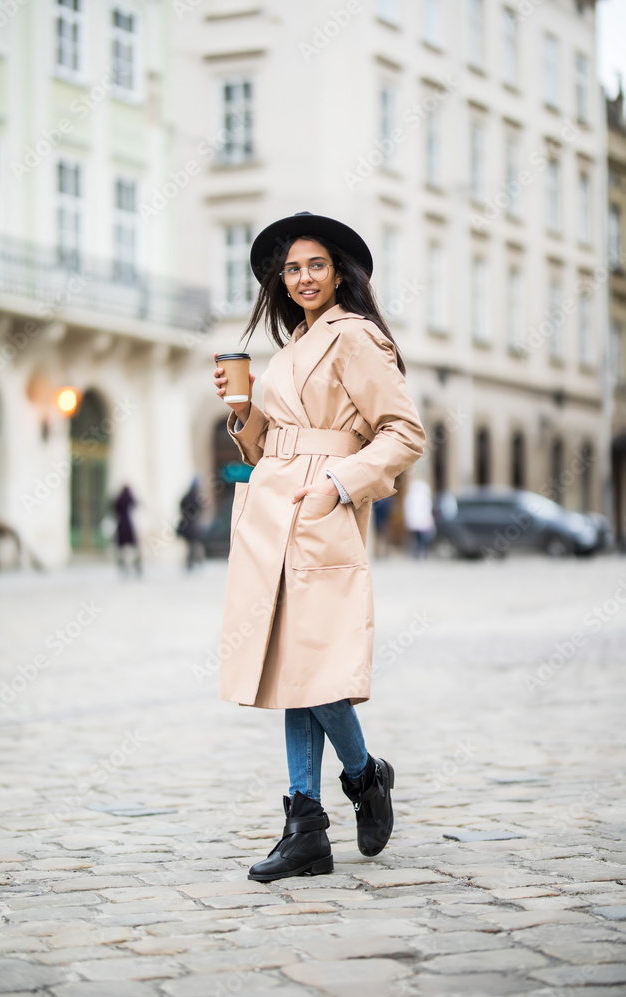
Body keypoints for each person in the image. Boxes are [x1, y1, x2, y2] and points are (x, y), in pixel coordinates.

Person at [213, 212, 425, 882]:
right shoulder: (292, 347)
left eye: (316, 265)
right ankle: (307, 825)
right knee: (290, 666)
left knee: (316, 665)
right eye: (292, 268)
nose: (303, 277)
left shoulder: (355, 336)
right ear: (280, 280)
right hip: (272, 509)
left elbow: (403, 432)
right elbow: (268, 445)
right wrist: (243, 412)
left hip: (318, 507)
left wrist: (338, 484)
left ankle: (361, 778)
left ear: (337, 273)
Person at [176, 477, 205, 570]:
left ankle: (192, 562)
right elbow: (200, 507)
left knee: (192, 546)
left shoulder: (188, 496)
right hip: (191, 526)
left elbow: (181, 506)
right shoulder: (194, 497)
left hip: (187, 525)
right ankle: (196, 562)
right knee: (195, 545)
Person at [113, 485, 142, 577]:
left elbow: (114, 509)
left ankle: (123, 565)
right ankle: (136, 565)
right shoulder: (129, 498)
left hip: (121, 525)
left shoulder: (119, 499)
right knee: (134, 547)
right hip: (128, 525)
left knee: (121, 548)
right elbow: (135, 504)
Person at [404, 478, 435, 559]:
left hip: (417, 522)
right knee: (422, 539)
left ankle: (418, 554)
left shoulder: (410, 497)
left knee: (418, 539)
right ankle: (422, 553)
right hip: (422, 522)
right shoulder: (423, 498)